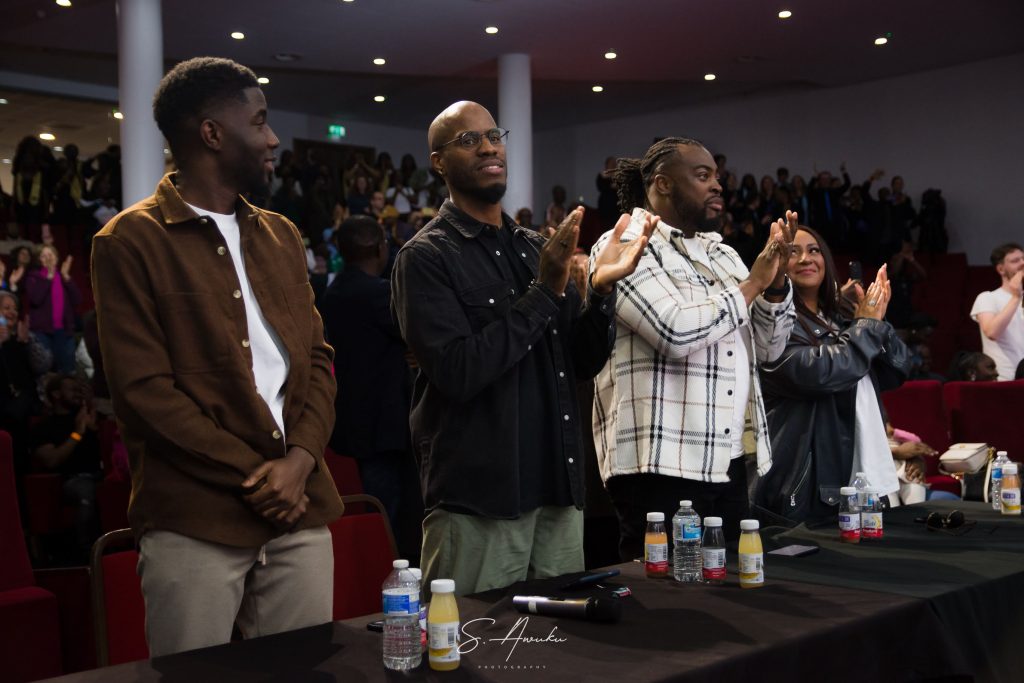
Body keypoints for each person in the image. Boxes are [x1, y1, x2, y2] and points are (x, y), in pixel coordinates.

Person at [91, 57, 343, 657]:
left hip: (298, 512)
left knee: (304, 672)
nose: (273, 138)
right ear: (212, 134)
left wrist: (301, 461)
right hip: (193, 520)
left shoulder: (281, 234)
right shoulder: (129, 242)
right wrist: (263, 475)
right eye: (259, 121)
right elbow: (145, 394)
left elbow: (318, 362)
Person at [391, 100, 653, 598]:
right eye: (468, 140)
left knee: (556, 656)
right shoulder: (424, 257)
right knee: (475, 651)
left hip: (557, 491)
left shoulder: (535, 247)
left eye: (494, 135)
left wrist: (598, 291)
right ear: (438, 161)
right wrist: (545, 293)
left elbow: (579, 362)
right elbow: (457, 372)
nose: (489, 146)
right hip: (479, 498)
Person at [592, 138, 796, 556]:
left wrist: (774, 289)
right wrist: (754, 284)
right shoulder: (626, 245)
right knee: (669, 606)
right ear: (663, 184)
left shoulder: (723, 255)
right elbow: (675, 332)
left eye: (718, 177)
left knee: (732, 593)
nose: (718, 185)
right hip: (660, 465)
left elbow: (768, 350)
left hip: (728, 457)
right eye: (703, 176)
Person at [756, 227, 910, 523]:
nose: (805, 258)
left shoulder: (842, 319)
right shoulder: (772, 324)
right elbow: (821, 373)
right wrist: (866, 325)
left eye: (813, 250)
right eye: (793, 251)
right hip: (808, 482)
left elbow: (898, 369)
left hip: (866, 476)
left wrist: (875, 320)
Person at [321, 215, 422, 560]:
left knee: (377, 508)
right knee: (391, 513)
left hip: (355, 416)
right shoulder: (379, 294)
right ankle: (391, 577)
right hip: (386, 421)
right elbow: (417, 332)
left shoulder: (332, 292)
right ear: (380, 248)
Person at [31, 375, 102, 559]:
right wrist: (78, 434)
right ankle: (87, 555)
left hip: (100, 476)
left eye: (80, 390)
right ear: (56, 394)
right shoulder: (44, 427)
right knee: (86, 491)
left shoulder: (87, 417)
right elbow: (52, 460)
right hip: (71, 480)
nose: (78, 394)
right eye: (72, 390)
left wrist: (94, 425)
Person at [970, 243, 1024, 380]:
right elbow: (992, 332)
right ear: (1001, 269)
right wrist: (1016, 296)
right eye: (1015, 261)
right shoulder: (987, 297)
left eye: (1023, 259)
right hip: (1004, 378)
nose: (1022, 263)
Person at [25, 244, 80, 374]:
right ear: (39, 260)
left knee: (67, 372)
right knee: (45, 372)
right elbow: (36, 299)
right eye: (44, 255)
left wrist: (66, 277)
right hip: (42, 333)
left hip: (64, 332)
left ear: (56, 258)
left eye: (51, 254)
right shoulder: (33, 277)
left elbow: (77, 300)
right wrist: (48, 276)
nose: (48, 258)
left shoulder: (63, 277)